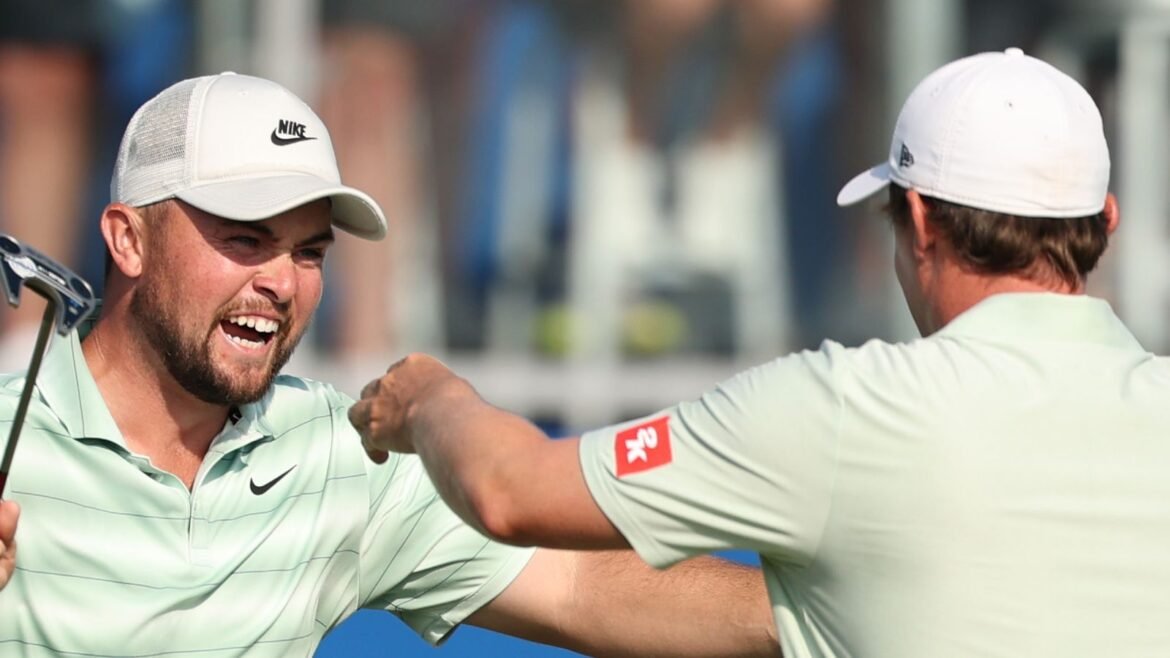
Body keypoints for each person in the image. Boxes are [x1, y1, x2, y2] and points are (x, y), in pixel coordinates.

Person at [348, 48, 1170, 657]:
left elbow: (508, 489)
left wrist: (425, 400)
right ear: (1104, 221)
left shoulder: (841, 405)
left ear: (919, 220)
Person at [0, 72, 780, 657]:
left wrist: (851, 618)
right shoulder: (9, 431)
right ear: (127, 240)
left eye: (308, 252)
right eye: (245, 239)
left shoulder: (344, 450)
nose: (281, 282)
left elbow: (581, 584)